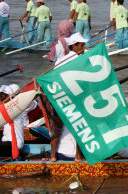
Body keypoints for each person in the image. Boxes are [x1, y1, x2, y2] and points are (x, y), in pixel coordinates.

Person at [53, 33, 88, 161]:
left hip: (60, 99)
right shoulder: (80, 60)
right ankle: (78, 156)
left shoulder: (60, 60)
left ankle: (53, 156)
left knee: (58, 127)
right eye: (82, 45)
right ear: (75, 46)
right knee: (80, 126)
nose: (84, 47)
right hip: (75, 98)